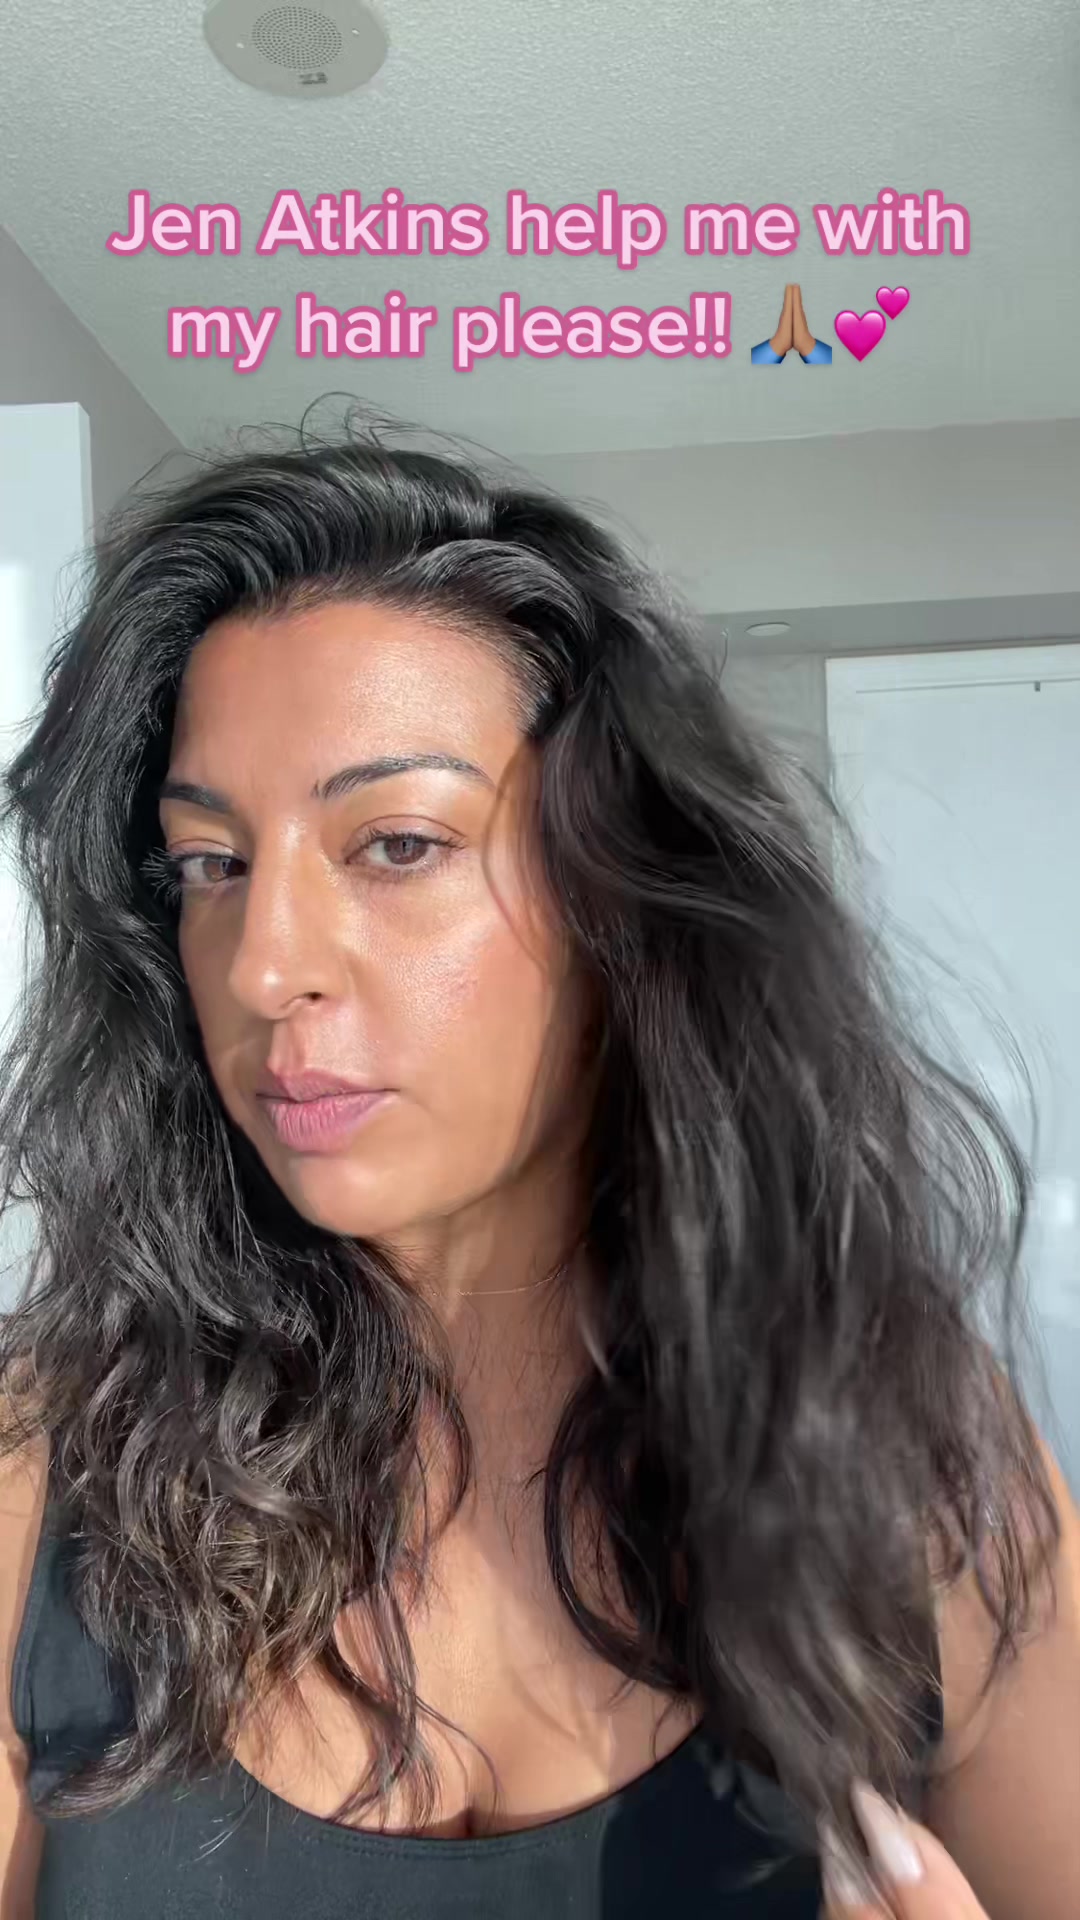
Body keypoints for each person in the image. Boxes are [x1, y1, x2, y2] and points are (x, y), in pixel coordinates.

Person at [0, 418, 1077, 1920]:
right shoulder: (45, 1466)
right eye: (210, 864)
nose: (260, 963)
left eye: (396, 845)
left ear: (622, 900)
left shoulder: (913, 1457)